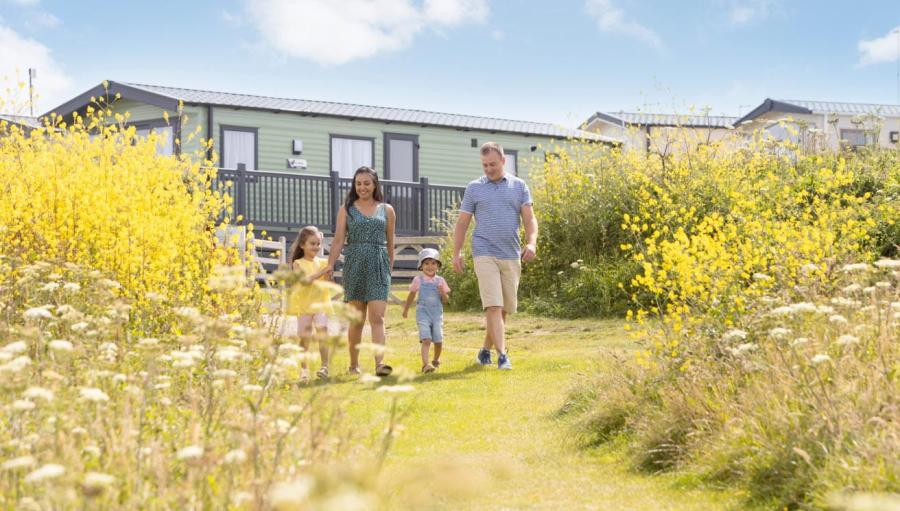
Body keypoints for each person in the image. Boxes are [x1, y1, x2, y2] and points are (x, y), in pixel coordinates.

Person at [452, 142, 538, 370]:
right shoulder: (474, 188)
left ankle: (484, 352)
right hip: (484, 251)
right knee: (492, 305)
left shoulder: (519, 186)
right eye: (484, 165)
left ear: (503, 161)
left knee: (504, 309)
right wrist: (457, 252)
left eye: (492, 164)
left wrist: (532, 243)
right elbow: (462, 222)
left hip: (511, 252)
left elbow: (529, 219)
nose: (488, 169)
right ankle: (502, 356)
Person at [325, 166, 396, 376]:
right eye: (358, 183)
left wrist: (388, 269)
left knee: (378, 318)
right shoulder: (346, 209)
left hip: (378, 265)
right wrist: (330, 263)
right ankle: (354, 365)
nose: (362, 187)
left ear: (374, 184)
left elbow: (391, 243)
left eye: (366, 183)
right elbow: (338, 241)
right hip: (354, 264)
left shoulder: (387, 210)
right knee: (357, 319)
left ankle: (379, 364)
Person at [286, 225, 333, 383]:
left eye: (318, 244)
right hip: (304, 306)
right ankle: (304, 370)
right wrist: (321, 272)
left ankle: (324, 366)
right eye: (312, 243)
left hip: (320, 304)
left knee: (322, 334)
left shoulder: (323, 262)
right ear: (302, 245)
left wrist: (328, 274)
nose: (316, 247)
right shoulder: (298, 263)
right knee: (304, 338)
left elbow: (327, 282)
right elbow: (304, 281)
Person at [402, 248, 450, 373]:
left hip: (436, 315)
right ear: (421, 266)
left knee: (438, 339)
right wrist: (406, 309)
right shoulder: (418, 280)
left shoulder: (440, 281)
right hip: (422, 314)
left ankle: (436, 359)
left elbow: (446, 300)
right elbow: (411, 295)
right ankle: (425, 365)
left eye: (433, 263)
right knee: (426, 339)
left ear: (438, 266)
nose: (430, 266)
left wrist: (441, 292)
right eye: (426, 263)